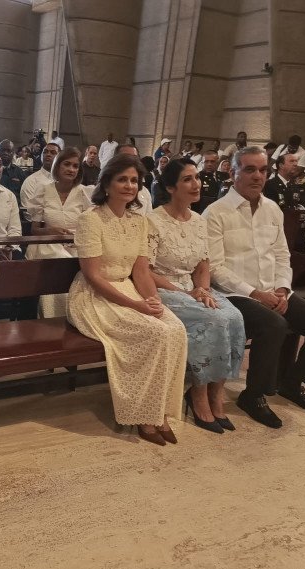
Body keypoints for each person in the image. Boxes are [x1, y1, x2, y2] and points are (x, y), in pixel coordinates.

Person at [204, 147, 305, 428]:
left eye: (263, 170)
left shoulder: (272, 210)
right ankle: (253, 396)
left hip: (272, 291)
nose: (258, 176)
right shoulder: (216, 212)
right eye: (250, 169)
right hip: (235, 294)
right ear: (233, 173)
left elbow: (281, 255)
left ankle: (291, 382)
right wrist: (255, 294)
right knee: (274, 325)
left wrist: (281, 288)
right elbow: (215, 268)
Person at [66, 153, 187, 446]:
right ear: (106, 183)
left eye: (134, 180)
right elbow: (93, 276)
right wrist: (136, 306)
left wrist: (153, 300)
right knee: (154, 333)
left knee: (175, 330)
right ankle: (143, 415)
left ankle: (160, 412)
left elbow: (141, 270)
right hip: (94, 297)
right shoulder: (90, 220)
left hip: (130, 291)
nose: (129, 185)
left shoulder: (140, 222)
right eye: (122, 179)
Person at [148, 159, 246, 434]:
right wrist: (186, 293)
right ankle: (198, 393)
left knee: (234, 316)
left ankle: (217, 393)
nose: (197, 184)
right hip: (164, 289)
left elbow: (203, 265)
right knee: (211, 318)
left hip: (193, 288)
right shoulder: (153, 221)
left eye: (197, 178)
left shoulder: (199, 222)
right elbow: (144, 270)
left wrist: (202, 289)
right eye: (188, 179)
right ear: (170, 187)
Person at [27, 147, 92, 317]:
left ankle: (79, 317)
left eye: (75, 166)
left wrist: (76, 238)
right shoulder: (44, 189)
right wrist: (51, 231)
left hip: (75, 244)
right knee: (60, 261)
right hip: (48, 244)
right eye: (67, 164)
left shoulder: (83, 193)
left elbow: (89, 228)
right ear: (57, 166)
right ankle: (53, 318)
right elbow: (34, 230)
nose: (71, 169)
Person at [20, 142, 59, 213]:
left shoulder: (64, 181)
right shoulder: (31, 181)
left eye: (53, 153)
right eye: (45, 152)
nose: (48, 155)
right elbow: (29, 212)